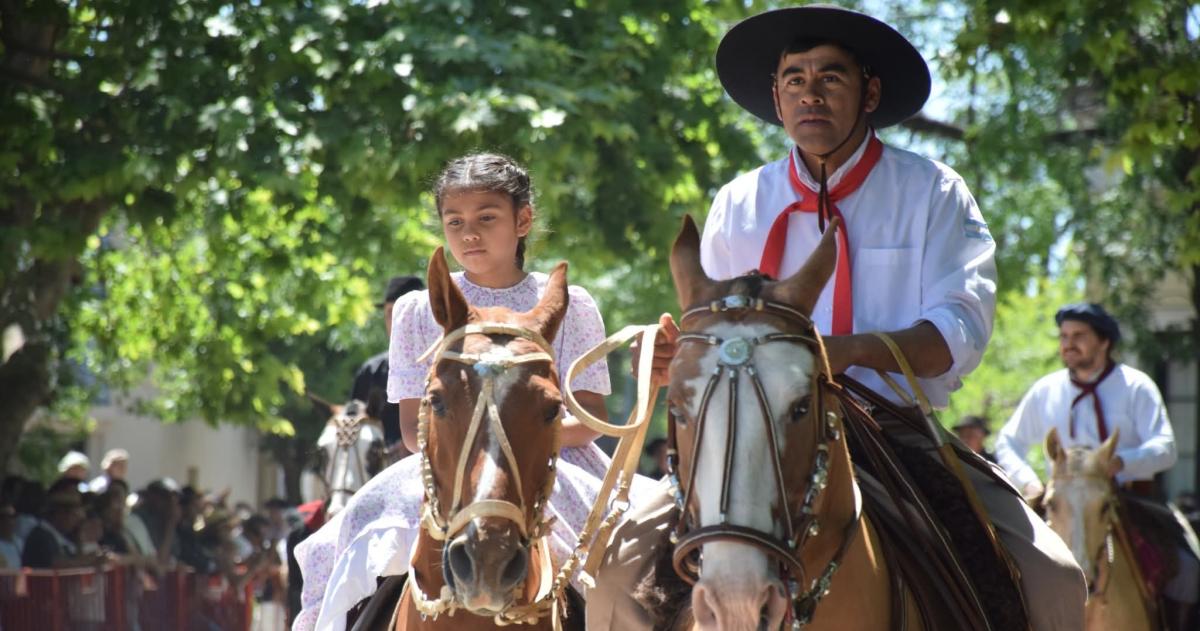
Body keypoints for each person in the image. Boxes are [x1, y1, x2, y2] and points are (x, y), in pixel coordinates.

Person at [588, 6, 1085, 631]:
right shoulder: (739, 202)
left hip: (898, 432)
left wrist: (847, 351)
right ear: (776, 95)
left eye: (831, 77)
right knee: (611, 582)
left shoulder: (933, 190)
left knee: (1055, 580)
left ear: (869, 92)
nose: (810, 94)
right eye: (795, 79)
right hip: (745, 433)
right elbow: (712, 331)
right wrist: (678, 358)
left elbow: (959, 331)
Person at [293, 152, 653, 631]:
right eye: (455, 221)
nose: (469, 233)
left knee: (645, 557)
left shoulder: (574, 303)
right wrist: (475, 445)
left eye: (487, 217)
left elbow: (588, 419)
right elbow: (412, 431)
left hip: (551, 465)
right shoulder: (417, 311)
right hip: (442, 468)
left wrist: (521, 439)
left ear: (522, 220)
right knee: (338, 545)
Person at [996, 302, 1198, 628]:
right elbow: (1007, 441)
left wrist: (1122, 462)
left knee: (1189, 572)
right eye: (1063, 336)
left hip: (1130, 501)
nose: (1068, 343)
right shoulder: (1046, 390)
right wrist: (1030, 482)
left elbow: (1166, 447)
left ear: (1104, 341)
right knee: (1002, 567)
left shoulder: (1135, 386)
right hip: (1060, 504)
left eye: (1079, 335)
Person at [351, 275, 425, 458]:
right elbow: (355, 420)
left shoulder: (444, 364)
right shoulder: (371, 371)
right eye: (389, 313)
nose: (394, 321)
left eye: (400, 312)